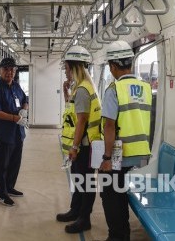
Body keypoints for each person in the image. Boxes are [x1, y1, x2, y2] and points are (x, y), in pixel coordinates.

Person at [99, 41, 152, 241]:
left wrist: (106, 157)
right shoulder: (145, 87)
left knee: (111, 196)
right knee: (122, 194)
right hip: (141, 154)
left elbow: (109, 126)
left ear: (113, 66)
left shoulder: (114, 89)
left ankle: (118, 237)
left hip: (120, 155)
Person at [56, 46, 102, 234]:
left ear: (74, 67)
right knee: (79, 180)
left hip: (84, 146)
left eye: (66, 68)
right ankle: (75, 210)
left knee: (85, 183)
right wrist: (67, 92)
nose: (65, 71)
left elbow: (82, 121)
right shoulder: (79, 87)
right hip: (82, 145)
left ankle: (84, 218)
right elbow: (73, 113)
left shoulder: (83, 89)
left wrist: (74, 147)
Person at [0, 57, 28, 207]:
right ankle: (2, 194)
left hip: (18, 133)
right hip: (4, 134)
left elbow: (25, 99)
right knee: (2, 166)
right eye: (6, 69)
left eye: (12, 69)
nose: (9, 72)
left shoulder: (16, 86)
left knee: (15, 163)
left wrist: (24, 109)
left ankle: (10, 187)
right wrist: (14, 118)